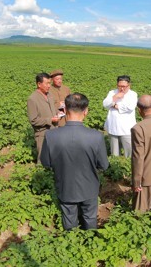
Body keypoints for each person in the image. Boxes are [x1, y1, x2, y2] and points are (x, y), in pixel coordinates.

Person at [40, 93, 109, 230]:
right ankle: (90, 245)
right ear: (86, 111)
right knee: (89, 218)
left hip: (65, 186)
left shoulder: (51, 135)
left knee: (69, 218)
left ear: (64, 110)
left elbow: (46, 162)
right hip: (89, 187)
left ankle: (71, 242)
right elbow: (103, 165)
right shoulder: (96, 136)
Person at [27, 72, 60, 162]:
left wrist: (58, 113)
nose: (49, 86)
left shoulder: (49, 95)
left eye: (50, 83)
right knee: (43, 159)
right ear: (39, 84)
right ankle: (39, 175)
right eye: (47, 83)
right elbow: (33, 120)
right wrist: (50, 119)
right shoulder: (32, 99)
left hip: (54, 130)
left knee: (54, 158)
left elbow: (53, 109)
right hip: (42, 134)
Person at [102, 75, 138, 157]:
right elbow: (105, 104)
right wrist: (115, 97)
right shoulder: (112, 93)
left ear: (129, 85)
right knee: (114, 153)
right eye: (120, 86)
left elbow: (130, 107)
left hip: (127, 129)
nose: (122, 88)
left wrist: (114, 105)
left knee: (129, 152)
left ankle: (128, 167)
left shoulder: (133, 94)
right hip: (113, 126)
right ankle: (114, 167)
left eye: (124, 86)